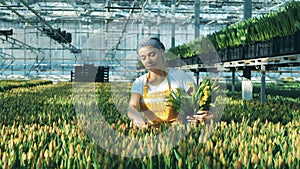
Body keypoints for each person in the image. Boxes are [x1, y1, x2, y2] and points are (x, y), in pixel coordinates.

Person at [128, 36, 212, 128]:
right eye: (143, 58)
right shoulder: (140, 82)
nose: (148, 61)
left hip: (178, 130)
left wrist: (208, 115)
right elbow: (132, 106)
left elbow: (200, 99)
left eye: (152, 55)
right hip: (151, 131)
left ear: (162, 53)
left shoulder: (179, 77)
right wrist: (136, 117)